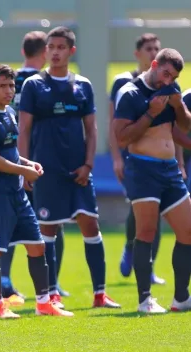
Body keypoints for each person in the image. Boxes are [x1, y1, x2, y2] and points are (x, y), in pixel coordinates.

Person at [18, 26, 120, 310]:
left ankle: (100, 294)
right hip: (46, 171)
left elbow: (92, 128)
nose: (55, 52)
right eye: (51, 47)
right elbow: (23, 130)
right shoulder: (33, 85)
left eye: (61, 47)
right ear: (46, 50)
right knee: (47, 230)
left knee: (91, 224)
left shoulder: (83, 85)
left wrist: (88, 165)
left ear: (71, 51)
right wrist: (24, 168)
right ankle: (51, 294)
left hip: (78, 171)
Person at [0, 64, 73, 318]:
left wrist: (27, 163)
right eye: (2, 86)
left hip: (17, 194)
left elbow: (12, 152)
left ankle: (43, 304)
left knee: (37, 246)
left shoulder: (9, 113)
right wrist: (23, 172)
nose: (8, 91)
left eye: (11, 85)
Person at [113, 48, 191, 313]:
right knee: (146, 232)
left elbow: (184, 126)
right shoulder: (130, 93)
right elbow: (122, 138)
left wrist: (178, 105)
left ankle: (181, 298)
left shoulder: (171, 89)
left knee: (188, 231)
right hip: (143, 169)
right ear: (154, 64)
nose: (168, 80)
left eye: (174, 76)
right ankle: (144, 300)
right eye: (165, 73)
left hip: (170, 170)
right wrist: (150, 113)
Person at [6, 30, 69, 299]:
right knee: (54, 222)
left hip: (10, 158)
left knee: (9, 221)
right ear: (45, 52)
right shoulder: (41, 83)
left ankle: (4, 279)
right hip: (43, 160)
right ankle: (52, 282)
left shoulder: (8, 80)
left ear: (22, 52)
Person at [109, 33, 166, 284]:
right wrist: (116, 159)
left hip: (159, 160)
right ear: (137, 54)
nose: (153, 52)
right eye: (148, 48)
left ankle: (149, 267)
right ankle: (131, 247)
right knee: (139, 206)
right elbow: (114, 125)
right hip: (131, 157)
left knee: (159, 210)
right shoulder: (123, 82)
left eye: (157, 48)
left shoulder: (164, 84)